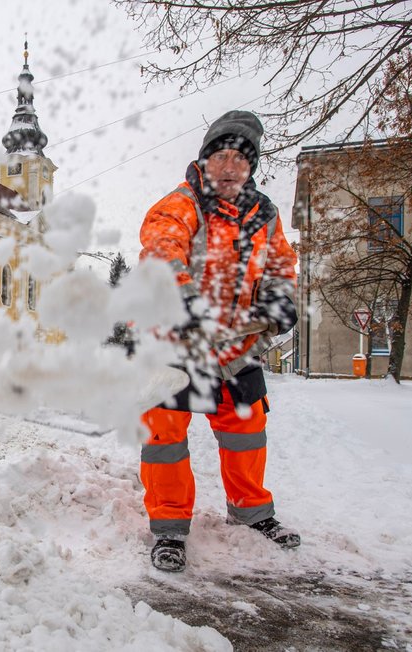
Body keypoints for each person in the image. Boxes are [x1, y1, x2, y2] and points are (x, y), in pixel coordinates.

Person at [138, 110, 300, 572]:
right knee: (164, 435)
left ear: (251, 167)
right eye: (221, 156)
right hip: (177, 342)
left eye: (240, 159)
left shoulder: (264, 215)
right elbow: (161, 247)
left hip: (234, 347)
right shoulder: (182, 203)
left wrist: (279, 300)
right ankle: (168, 528)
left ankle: (251, 513)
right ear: (205, 160)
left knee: (246, 427)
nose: (229, 167)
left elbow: (281, 265)